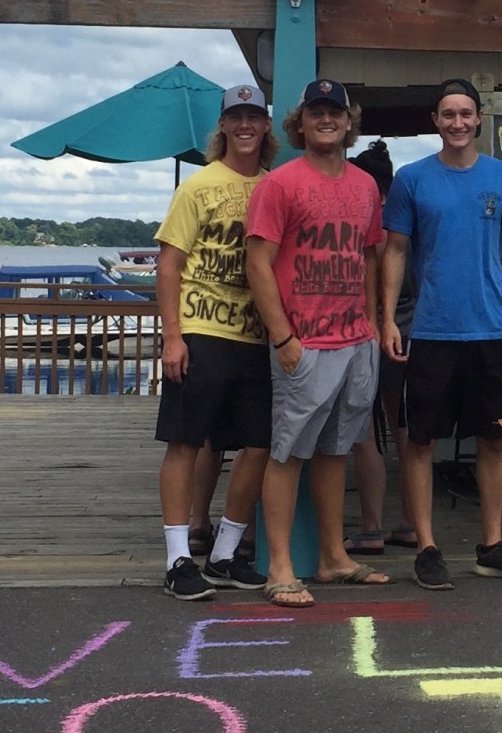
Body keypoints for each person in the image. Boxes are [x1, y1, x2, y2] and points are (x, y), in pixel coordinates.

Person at [381, 78, 502, 590]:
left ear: (479, 119)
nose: (457, 122)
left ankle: (491, 546)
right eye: (448, 114)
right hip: (431, 330)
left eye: (466, 114)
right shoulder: (411, 179)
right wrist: (387, 318)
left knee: (493, 440)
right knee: (421, 442)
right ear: (436, 120)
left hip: (493, 329)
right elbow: (395, 251)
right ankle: (427, 547)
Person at [243, 78, 391, 606]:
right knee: (288, 453)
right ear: (299, 122)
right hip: (304, 342)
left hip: (355, 341)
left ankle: (333, 557)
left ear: (349, 122)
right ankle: (280, 566)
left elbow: (370, 254)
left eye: (336, 111)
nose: (326, 119)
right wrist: (282, 335)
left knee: (335, 451)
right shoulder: (279, 184)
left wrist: (372, 322)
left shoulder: (365, 186)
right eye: (316, 111)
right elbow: (257, 262)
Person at [152, 83, 274, 599]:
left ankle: (225, 552)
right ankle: (178, 558)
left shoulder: (274, 187)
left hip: (254, 334)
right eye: (235, 118)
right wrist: (173, 337)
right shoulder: (197, 187)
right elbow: (169, 262)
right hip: (201, 330)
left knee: (260, 444)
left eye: (254, 117)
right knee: (186, 441)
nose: (244, 126)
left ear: (267, 126)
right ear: (222, 127)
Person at [345, 140, 416, 557]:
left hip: (367, 330)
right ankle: (409, 521)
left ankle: (371, 526)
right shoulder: (406, 224)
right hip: (409, 332)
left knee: (363, 432)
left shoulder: (369, 225)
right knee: (405, 430)